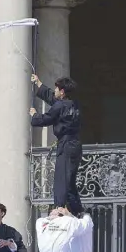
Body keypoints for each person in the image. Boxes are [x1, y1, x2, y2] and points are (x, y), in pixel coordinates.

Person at [30, 74, 83, 216]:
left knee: (61, 178)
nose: (55, 90)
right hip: (76, 145)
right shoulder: (74, 104)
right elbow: (55, 101)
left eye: (56, 89)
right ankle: (77, 209)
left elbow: (46, 118)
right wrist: (39, 84)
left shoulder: (60, 106)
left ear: (62, 91)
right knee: (70, 179)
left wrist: (34, 115)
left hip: (65, 145)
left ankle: (59, 208)